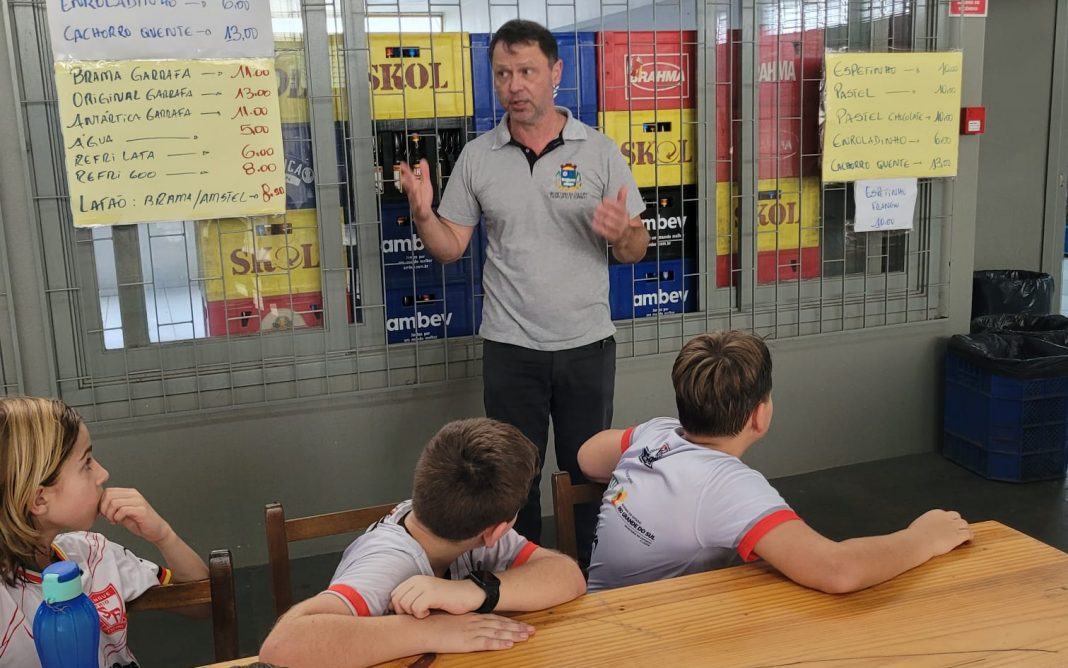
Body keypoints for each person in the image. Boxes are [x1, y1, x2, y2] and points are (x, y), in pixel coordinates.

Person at [397, 19, 650, 561]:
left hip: (586, 345)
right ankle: (524, 578)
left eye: (527, 71)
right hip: (510, 348)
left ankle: (591, 576)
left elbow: (636, 249)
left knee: (588, 474)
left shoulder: (600, 152)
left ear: (555, 72)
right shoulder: (477, 157)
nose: (514, 85)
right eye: (503, 73)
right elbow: (450, 247)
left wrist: (623, 234)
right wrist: (422, 214)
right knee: (512, 480)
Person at [578, 331, 973, 593]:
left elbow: (588, 458)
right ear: (760, 415)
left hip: (603, 613)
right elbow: (837, 570)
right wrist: (923, 538)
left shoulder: (657, 433)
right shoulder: (727, 487)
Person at [260, 418, 586, 668]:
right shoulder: (388, 561)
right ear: (495, 531)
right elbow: (282, 647)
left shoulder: (447, 519)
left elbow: (567, 575)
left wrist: (474, 591)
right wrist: (436, 631)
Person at [0, 396, 208, 667]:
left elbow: (202, 604)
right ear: (39, 499)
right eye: (86, 463)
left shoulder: (93, 551)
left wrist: (163, 536)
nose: (103, 474)